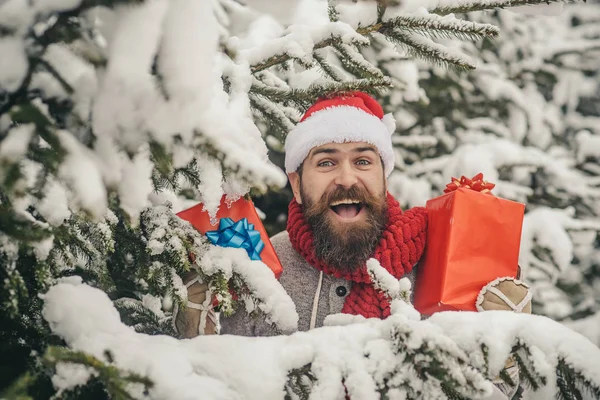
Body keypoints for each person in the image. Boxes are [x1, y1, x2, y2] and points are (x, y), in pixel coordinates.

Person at [174, 91, 531, 398]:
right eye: (326, 162)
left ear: (383, 178)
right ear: (297, 185)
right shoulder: (259, 270)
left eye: (363, 161)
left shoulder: (441, 268)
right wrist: (195, 337)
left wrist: (506, 351)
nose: (347, 178)